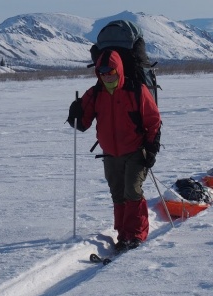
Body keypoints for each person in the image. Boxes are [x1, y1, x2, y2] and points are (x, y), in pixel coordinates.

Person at [68, 49, 161, 252]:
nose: (107, 76)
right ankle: (123, 233)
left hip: (136, 150)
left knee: (132, 191)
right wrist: (74, 114)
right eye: (102, 73)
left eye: (110, 72)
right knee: (118, 194)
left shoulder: (136, 90)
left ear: (118, 70)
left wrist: (152, 149)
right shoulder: (95, 93)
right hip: (110, 153)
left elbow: (153, 121)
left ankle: (136, 234)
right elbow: (82, 124)